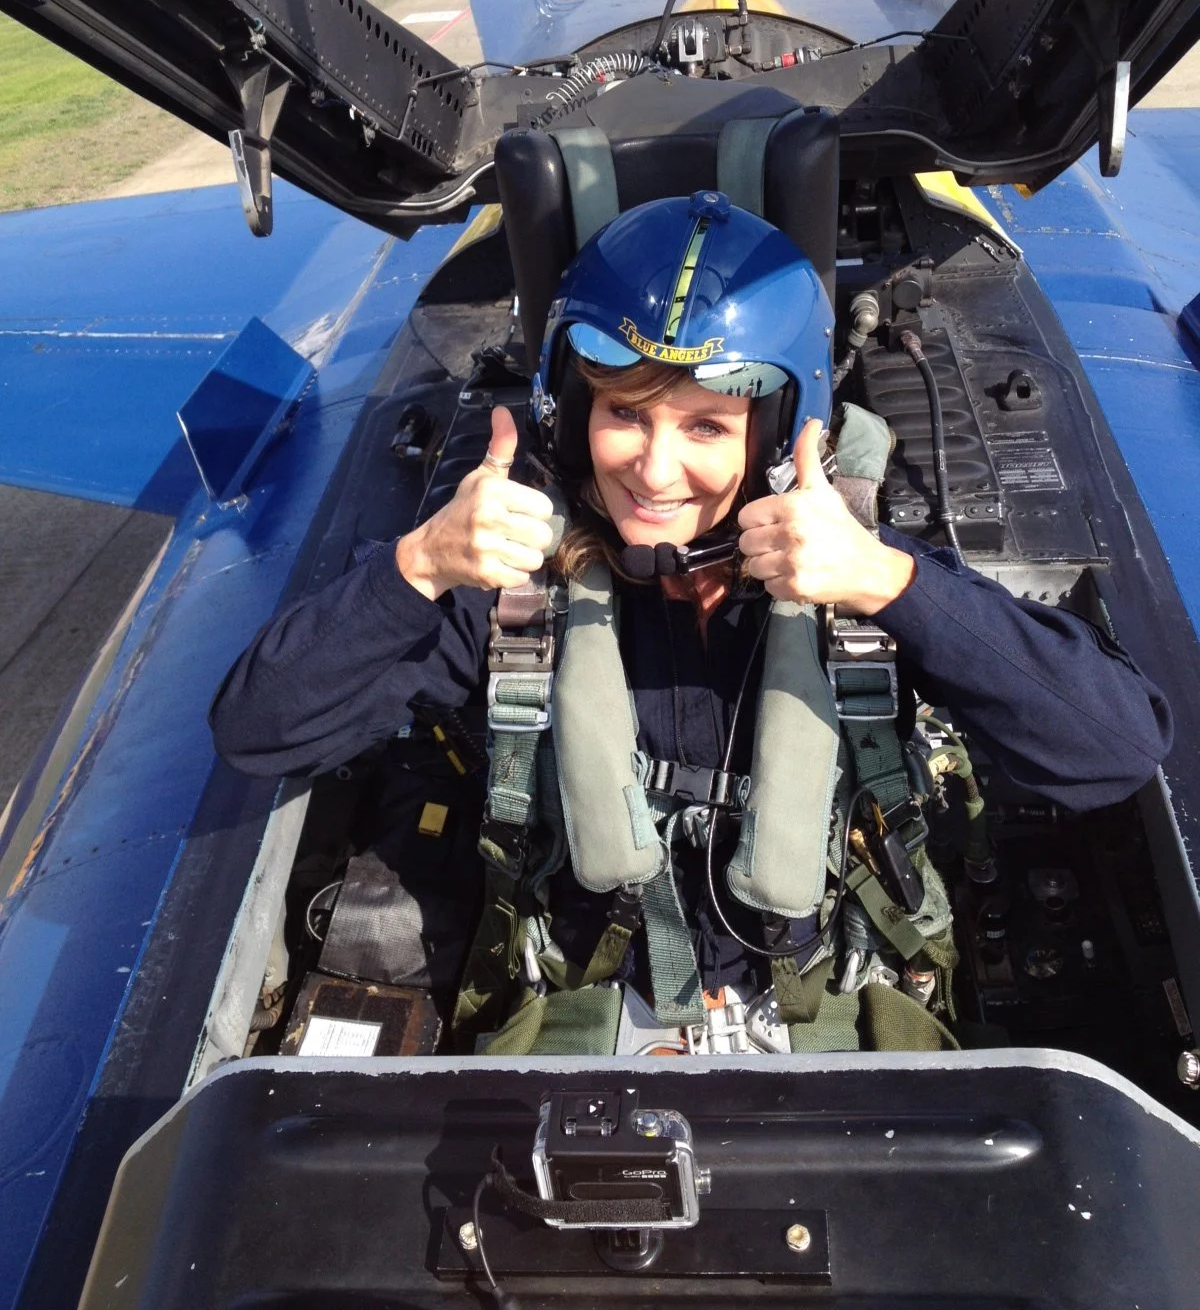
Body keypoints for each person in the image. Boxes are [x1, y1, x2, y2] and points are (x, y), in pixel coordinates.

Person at [211, 192, 1171, 1055]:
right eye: (625, 414)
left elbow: (1116, 748)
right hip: (588, 1006)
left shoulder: (855, 571)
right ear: (573, 413)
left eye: (707, 427)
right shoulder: (511, 588)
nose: (654, 472)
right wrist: (418, 565)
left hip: (832, 1001)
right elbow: (258, 729)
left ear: (774, 439)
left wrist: (890, 584)